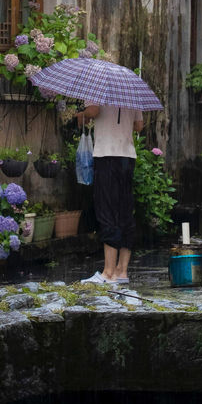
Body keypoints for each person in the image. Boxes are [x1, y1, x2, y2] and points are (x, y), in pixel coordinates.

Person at [77, 104, 143, 285]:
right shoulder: (131, 90)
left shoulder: (97, 82)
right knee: (124, 210)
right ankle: (122, 271)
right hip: (127, 157)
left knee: (106, 209)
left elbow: (93, 111)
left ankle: (108, 273)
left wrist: (81, 115)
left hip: (106, 155)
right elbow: (139, 126)